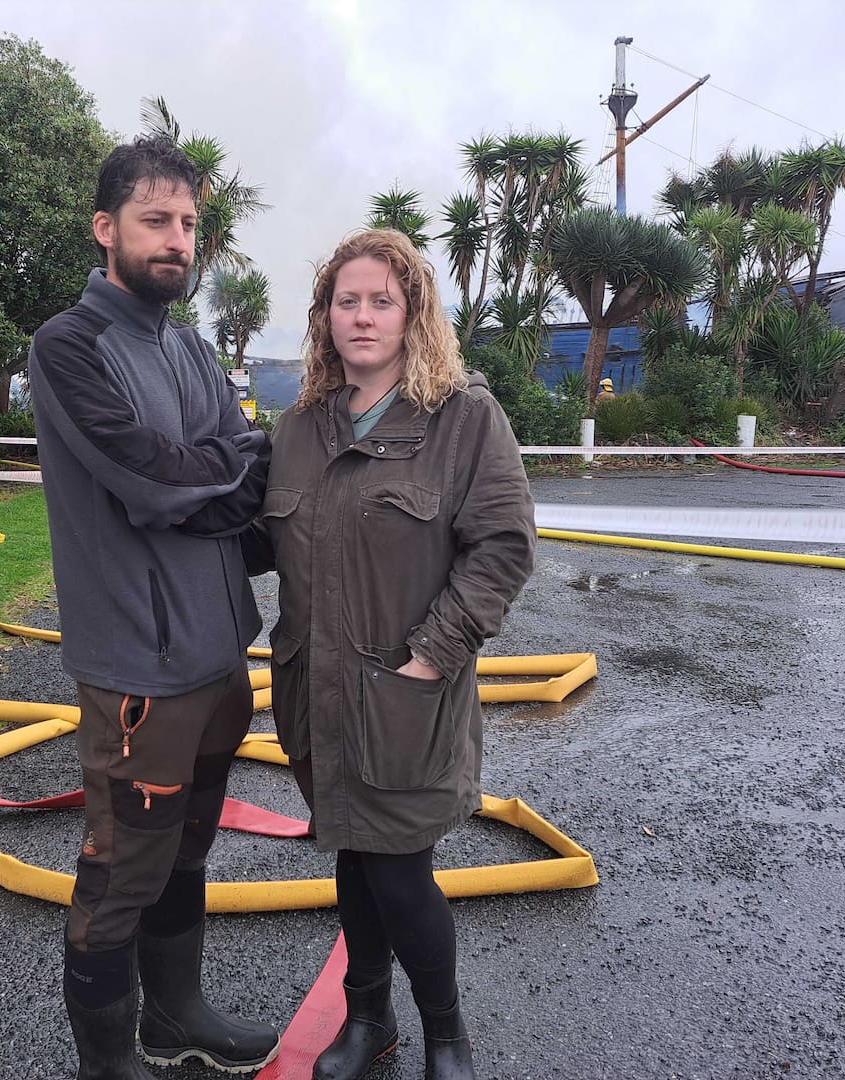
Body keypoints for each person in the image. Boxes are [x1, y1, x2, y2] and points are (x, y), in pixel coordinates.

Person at [252, 229, 536, 1080]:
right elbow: (253, 540)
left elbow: (502, 548)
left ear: (413, 314)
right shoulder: (299, 428)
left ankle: (447, 1035)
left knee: (401, 872)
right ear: (325, 316)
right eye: (347, 301)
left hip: (406, 692)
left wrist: (431, 657)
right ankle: (367, 1020)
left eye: (382, 300)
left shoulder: (462, 417)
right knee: (352, 855)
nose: (363, 316)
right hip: (317, 691)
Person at [28, 136, 279, 1079]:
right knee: (122, 870)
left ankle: (176, 1019)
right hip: (140, 673)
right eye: (155, 220)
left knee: (187, 852)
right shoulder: (68, 347)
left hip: (221, 660)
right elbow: (150, 479)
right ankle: (107, 1067)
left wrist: (205, 482)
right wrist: (209, 480)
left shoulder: (190, 346)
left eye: (188, 223)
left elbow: (242, 466)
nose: (177, 240)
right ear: (106, 228)